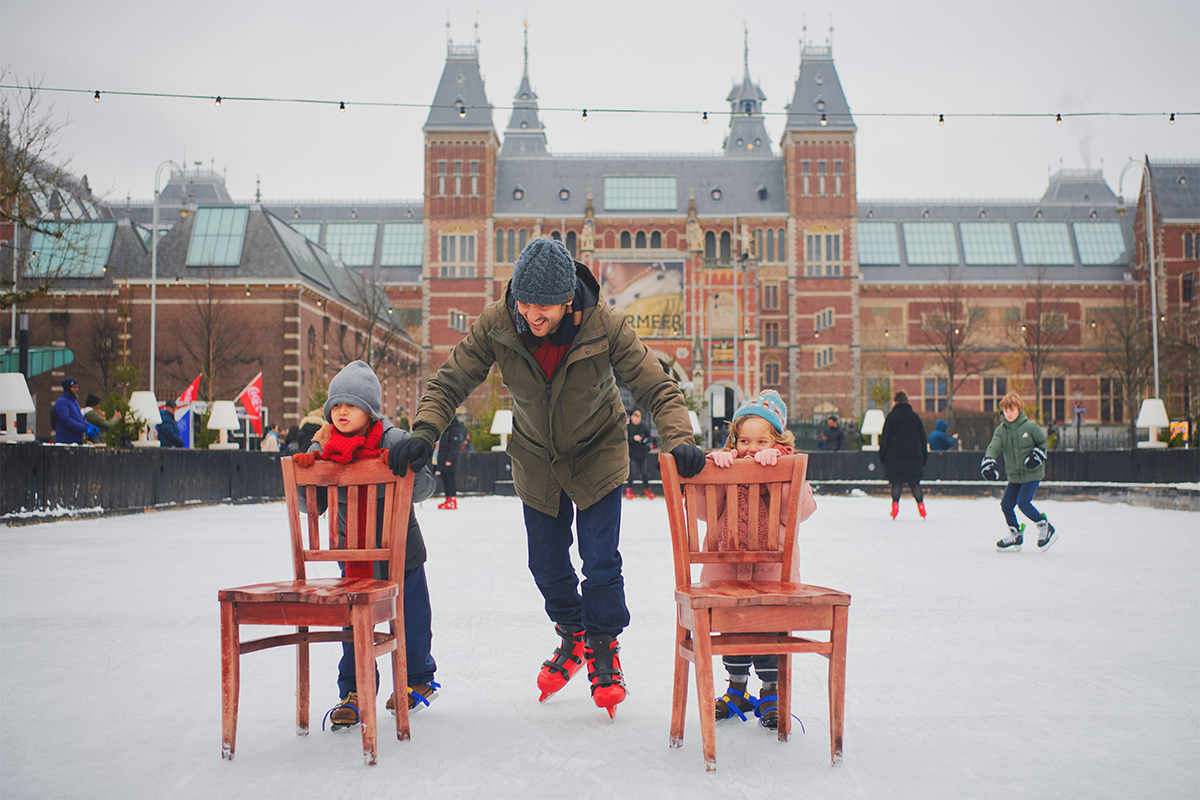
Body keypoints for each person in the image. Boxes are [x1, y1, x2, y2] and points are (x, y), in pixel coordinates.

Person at [386, 237, 706, 719]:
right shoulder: (497, 322)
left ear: (567, 300)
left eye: (544, 308)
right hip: (537, 456)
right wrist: (424, 432)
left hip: (598, 452)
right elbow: (450, 381)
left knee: (600, 562)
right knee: (546, 564)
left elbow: (657, 386)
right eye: (525, 304)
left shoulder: (605, 324)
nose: (532, 316)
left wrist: (678, 438)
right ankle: (573, 633)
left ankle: (602, 645)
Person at [294, 360, 440, 728]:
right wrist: (306, 475)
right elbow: (312, 505)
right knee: (353, 623)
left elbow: (425, 489)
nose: (342, 412)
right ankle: (356, 689)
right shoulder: (323, 444)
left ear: (370, 410)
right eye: (336, 406)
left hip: (401, 551)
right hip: (353, 554)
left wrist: (414, 462)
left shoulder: (395, 439)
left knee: (411, 617)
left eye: (351, 405)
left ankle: (418, 678)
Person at [700, 390, 817, 730]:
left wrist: (780, 475)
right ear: (734, 441)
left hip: (772, 574)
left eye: (761, 441)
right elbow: (704, 512)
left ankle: (770, 691)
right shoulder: (727, 465)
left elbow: (802, 511)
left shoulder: (789, 469)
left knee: (769, 628)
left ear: (777, 442)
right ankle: (736, 689)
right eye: (744, 441)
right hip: (726, 572)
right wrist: (715, 472)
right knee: (733, 628)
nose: (751, 449)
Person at [981, 392, 1057, 552]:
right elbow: (994, 446)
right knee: (1006, 505)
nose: (1008, 413)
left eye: (1012, 410)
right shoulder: (1001, 431)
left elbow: (1043, 443)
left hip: (1032, 473)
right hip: (1015, 475)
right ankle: (1016, 534)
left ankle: (1045, 526)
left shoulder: (1030, 427)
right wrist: (989, 461)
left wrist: (1037, 455)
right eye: (1005, 410)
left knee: (1023, 503)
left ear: (1019, 409)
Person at [878, 391, 928, 520]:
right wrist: (924, 457)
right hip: (914, 456)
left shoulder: (891, 417)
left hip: (895, 457)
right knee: (915, 483)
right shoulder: (915, 417)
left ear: (895, 402)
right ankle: (921, 506)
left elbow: (884, 438)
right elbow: (923, 439)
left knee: (896, 483)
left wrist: (882, 456)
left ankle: (895, 506)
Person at [435, 414, 466, 509]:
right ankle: (447, 499)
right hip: (443, 459)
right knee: (444, 478)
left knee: (450, 479)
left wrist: (449, 459)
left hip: (449, 460)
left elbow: (454, 445)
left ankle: (453, 500)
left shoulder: (454, 429)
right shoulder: (445, 429)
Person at [52, 378, 96, 445]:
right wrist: (84, 428)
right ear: (68, 388)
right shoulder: (62, 402)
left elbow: (80, 418)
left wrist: (89, 425)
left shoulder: (75, 402)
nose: (77, 389)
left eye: (77, 387)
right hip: (66, 440)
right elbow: (65, 420)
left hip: (76, 439)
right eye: (74, 387)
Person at [625, 408, 653, 499]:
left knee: (644, 473)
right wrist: (633, 438)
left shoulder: (643, 427)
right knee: (632, 473)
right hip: (632, 454)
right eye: (635, 418)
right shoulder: (628, 428)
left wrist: (644, 440)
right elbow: (625, 440)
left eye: (638, 418)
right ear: (632, 417)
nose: (637, 420)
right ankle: (629, 490)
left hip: (642, 453)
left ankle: (647, 490)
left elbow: (649, 438)